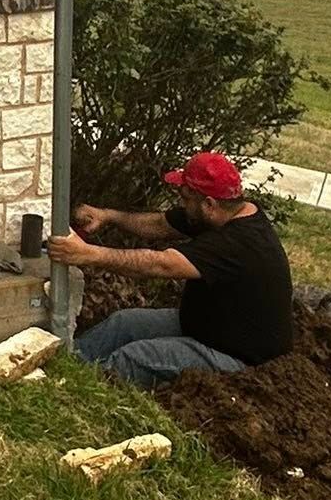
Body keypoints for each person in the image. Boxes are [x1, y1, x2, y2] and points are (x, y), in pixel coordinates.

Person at [46, 151, 293, 389]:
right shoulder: (224, 213)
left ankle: (75, 395)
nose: (181, 203)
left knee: (134, 358)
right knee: (123, 323)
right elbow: (160, 225)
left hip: (239, 359)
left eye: (185, 198)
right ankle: (58, 369)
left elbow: (160, 264)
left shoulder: (239, 242)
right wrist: (108, 216)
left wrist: (88, 254)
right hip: (203, 327)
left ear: (208, 203)